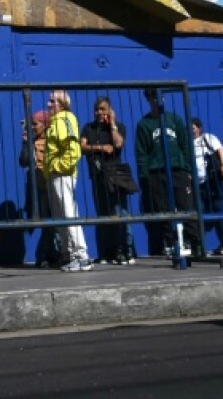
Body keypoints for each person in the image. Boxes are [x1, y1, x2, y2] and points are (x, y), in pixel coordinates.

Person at [135, 89, 200, 256]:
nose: (156, 100)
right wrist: (144, 176)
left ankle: (196, 243)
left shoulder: (174, 120)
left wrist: (187, 168)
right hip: (156, 172)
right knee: (162, 211)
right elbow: (141, 152)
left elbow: (185, 145)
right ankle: (170, 244)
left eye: (159, 96)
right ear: (148, 99)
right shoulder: (144, 124)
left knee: (187, 206)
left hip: (178, 169)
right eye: (153, 97)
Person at [80, 97, 137, 265]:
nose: (99, 112)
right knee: (102, 215)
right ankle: (106, 252)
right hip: (98, 176)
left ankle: (125, 251)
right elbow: (82, 146)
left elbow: (118, 144)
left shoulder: (119, 127)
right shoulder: (88, 128)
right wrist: (100, 148)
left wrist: (111, 123)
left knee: (120, 213)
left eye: (103, 109)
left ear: (110, 110)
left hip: (116, 176)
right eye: (97, 109)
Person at [44, 90, 92, 273]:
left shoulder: (65, 119)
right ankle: (69, 254)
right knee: (61, 216)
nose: (49, 104)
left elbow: (73, 149)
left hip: (62, 174)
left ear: (62, 104)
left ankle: (81, 256)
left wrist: (58, 166)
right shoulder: (57, 121)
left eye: (52, 101)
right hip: (55, 175)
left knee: (68, 214)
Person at [20, 109, 63, 268]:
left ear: (45, 125)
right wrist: (26, 143)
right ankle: (45, 256)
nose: (32, 127)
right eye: (30, 124)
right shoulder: (31, 141)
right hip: (39, 187)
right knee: (46, 222)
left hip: (52, 183)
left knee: (57, 222)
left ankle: (57, 253)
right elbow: (23, 161)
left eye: (35, 124)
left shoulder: (51, 140)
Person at [191, 117, 223, 255]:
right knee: (200, 212)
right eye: (190, 126)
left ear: (199, 127)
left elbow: (220, 151)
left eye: (195, 126)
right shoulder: (187, 144)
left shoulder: (208, 138)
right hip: (198, 183)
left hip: (213, 180)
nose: (192, 129)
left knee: (219, 208)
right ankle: (200, 246)